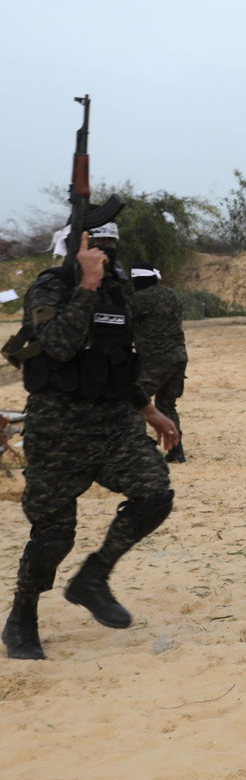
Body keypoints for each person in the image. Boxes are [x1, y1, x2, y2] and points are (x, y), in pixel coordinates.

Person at [2, 223, 180, 660]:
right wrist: (87, 284)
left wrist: (148, 408)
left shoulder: (120, 289)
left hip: (113, 424)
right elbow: (58, 347)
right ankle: (22, 615)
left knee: (154, 493)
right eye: (96, 246)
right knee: (53, 537)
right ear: (75, 247)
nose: (105, 254)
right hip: (58, 428)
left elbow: (118, 358)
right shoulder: (51, 286)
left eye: (111, 247)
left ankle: (93, 577)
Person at [130, 266, 189, 462]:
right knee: (167, 405)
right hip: (179, 356)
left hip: (156, 359)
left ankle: (139, 451)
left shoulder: (139, 299)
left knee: (136, 402)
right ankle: (176, 451)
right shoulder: (171, 294)